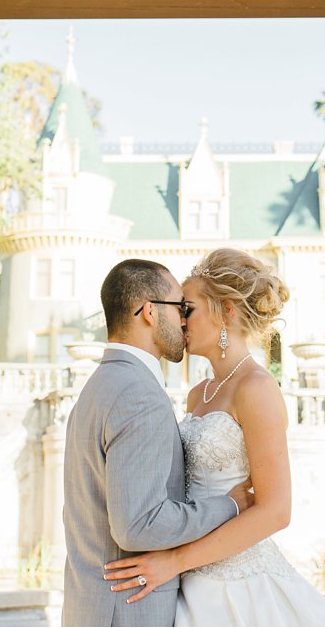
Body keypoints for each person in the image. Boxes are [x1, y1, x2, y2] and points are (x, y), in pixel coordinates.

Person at [101, 248, 325, 626]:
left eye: (188, 309)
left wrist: (175, 561)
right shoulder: (196, 393)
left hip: (238, 586)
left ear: (226, 311)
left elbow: (275, 511)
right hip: (185, 581)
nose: (179, 320)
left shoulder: (257, 387)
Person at [62, 259, 253, 627]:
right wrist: (230, 504)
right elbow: (139, 525)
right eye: (180, 307)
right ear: (149, 311)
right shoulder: (139, 395)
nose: (185, 320)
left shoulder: (98, 386)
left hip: (94, 608)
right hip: (129, 611)